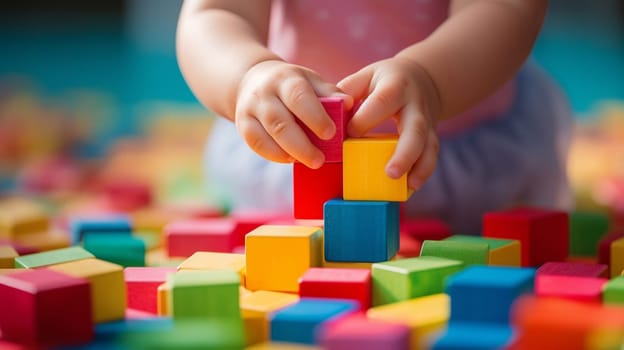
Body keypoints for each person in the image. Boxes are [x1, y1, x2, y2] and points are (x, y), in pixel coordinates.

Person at [176, 0, 573, 233]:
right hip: (301, 156)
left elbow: (508, 8)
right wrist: (248, 73)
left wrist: (431, 81)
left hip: (461, 147)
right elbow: (214, 13)